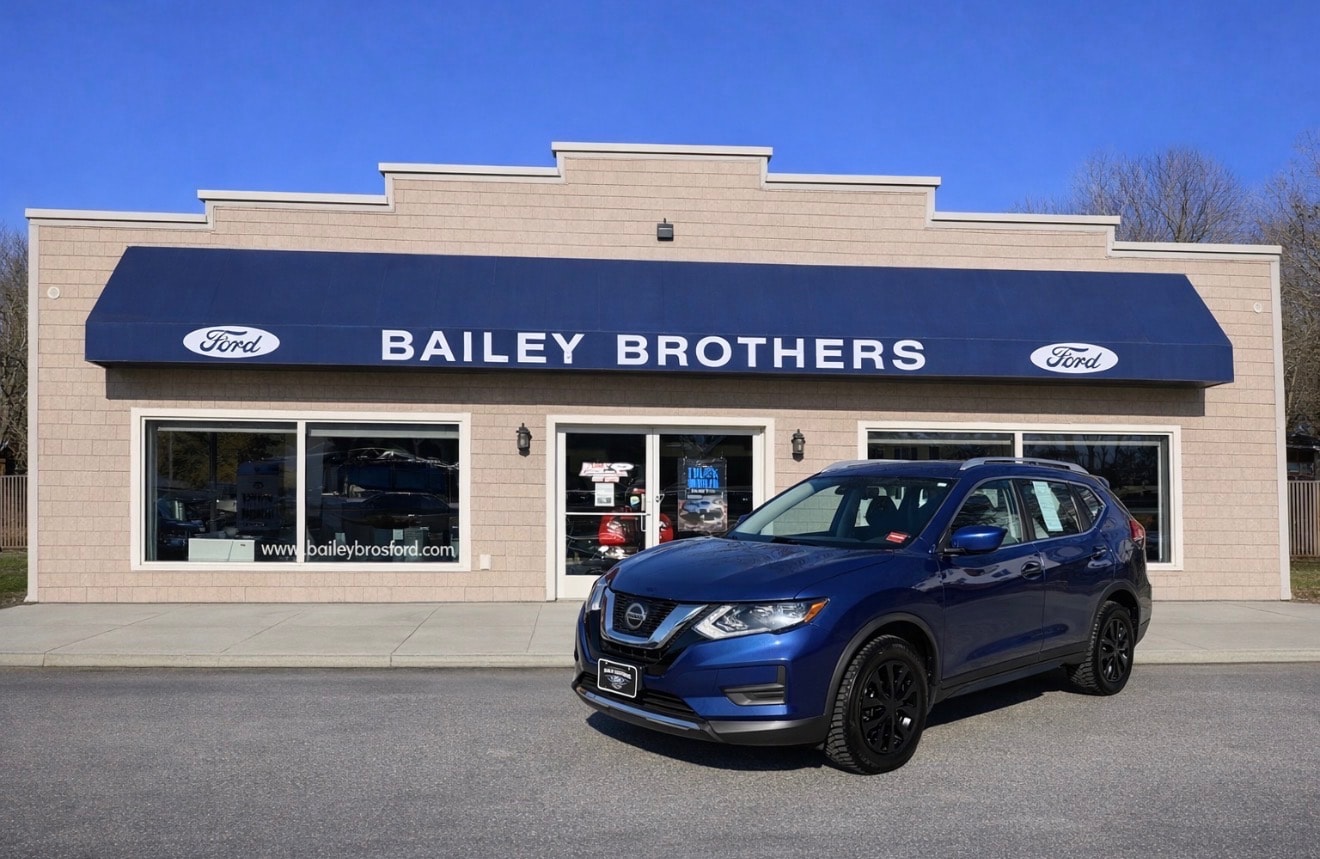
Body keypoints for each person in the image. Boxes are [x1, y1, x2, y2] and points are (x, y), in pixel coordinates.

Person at [598, 484, 672, 551]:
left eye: (645, 497)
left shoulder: (659, 517)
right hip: (621, 550)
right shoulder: (616, 515)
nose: (640, 501)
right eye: (635, 498)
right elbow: (605, 537)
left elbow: (667, 541)